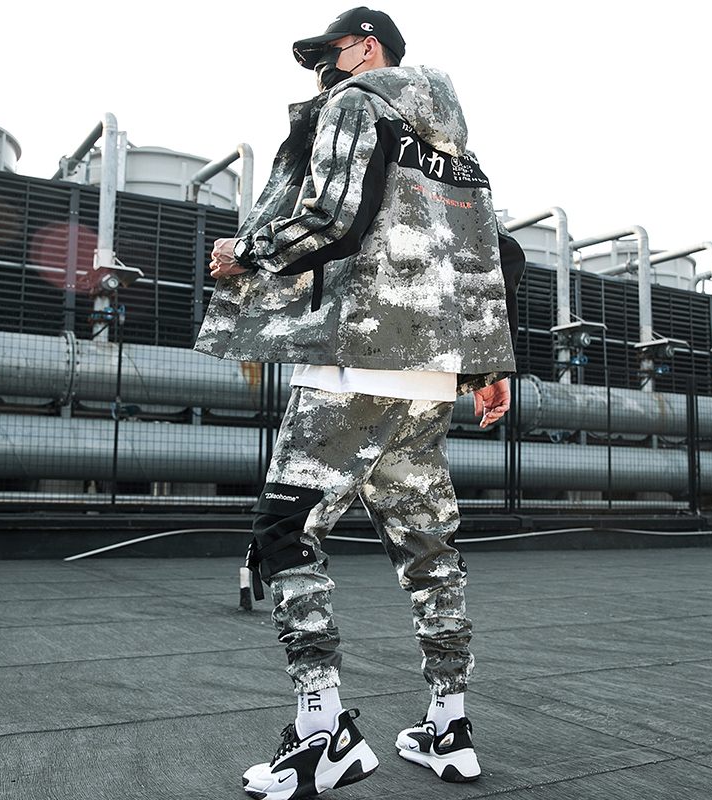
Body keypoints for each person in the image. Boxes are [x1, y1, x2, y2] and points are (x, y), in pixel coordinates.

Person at [195, 7, 521, 798]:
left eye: (328, 54)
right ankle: (448, 726)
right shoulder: (457, 148)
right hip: (428, 379)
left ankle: (322, 735)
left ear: (368, 48)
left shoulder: (358, 103)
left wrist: (243, 252)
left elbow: (332, 222)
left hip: (356, 362)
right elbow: (497, 255)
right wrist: (490, 367)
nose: (321, 72)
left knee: (285, 531)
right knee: (430, 551)